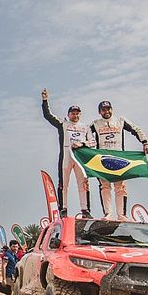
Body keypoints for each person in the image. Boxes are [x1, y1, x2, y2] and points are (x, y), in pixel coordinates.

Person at [88, 100, 148, 220]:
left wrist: (145, 142)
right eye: (104, 109)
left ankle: (121, 214)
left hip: (119, 157)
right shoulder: (95, 124)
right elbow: (85, 134)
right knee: (105, 186)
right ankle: (108, 214)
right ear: (99, 112)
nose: (107, 111)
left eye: (109, 109)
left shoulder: (120, 121)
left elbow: (136, 129)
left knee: (120, 187)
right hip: (102, 158)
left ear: (112, 109)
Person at [41, 89, 92, 218]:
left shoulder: (85, 127)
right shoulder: (63, 124)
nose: (75, 115)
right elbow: (48, 116)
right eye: (73, 113)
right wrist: (45, 101)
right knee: (64, 184)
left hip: (80, 157)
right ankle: (63, 209)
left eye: (77, 113)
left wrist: (82, 144)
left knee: (83, 183)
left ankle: (85, 210)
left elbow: (92, 142)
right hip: (66, 156)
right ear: (68, 114)